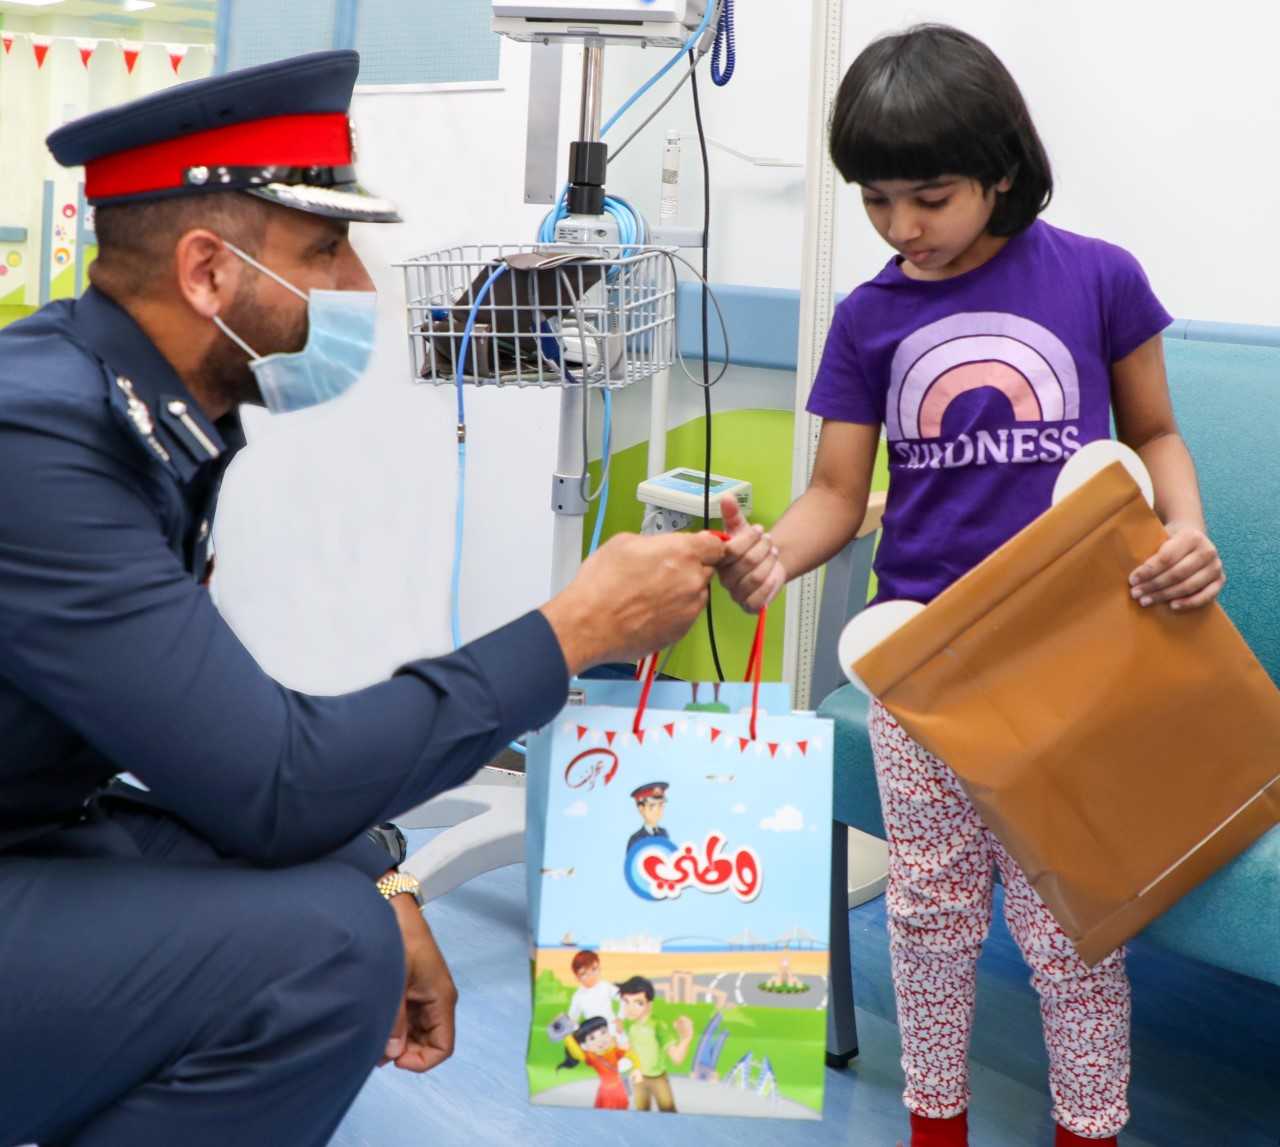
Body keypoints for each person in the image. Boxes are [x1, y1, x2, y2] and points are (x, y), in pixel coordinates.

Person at [0, 51, 725, 1147]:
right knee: (324, 956)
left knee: (348, 910)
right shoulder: (44, 443)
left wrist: (383, 875)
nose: (361, 288)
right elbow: (272, 780)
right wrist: (576, 629)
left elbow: (203, 739)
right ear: (208, 272)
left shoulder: (119, 409)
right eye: (324, 250)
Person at [715, 24, 1225, 1147]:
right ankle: (933, 1126)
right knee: (930, 912)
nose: (902, 227)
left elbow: (1153, 434)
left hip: (1078, 654)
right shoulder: (868, 318)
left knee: (1069, 920)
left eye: (929, 197)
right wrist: (773, 555)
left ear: (999, 170)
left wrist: (1184, 530)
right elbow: (835, 493)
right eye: (875, 201)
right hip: (922, 659)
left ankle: (1088, 1128)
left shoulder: (1097, 276)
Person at [617, 976, 694, 1113]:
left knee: (668, 1112)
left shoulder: (658, 1026)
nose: (630, 1008)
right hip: (638, 1077)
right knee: (641, 1113)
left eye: (638, 1003)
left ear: (649, 1005)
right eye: (626, 1002)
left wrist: (686, 1038)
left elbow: (677, 1058)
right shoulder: (631, 1026)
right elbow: (628, 1049)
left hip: (658, 1078)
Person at [554, 1016, 632, 1110]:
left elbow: (627, 1048)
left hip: (620, 1089)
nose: (601, 1040)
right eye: (592, 1038)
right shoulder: (593, 1057)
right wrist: (568, 1036)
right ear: (584, 1045)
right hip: (607, 1092)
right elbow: (578, 1053)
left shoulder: (614, 1050)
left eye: (603, 1032)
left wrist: (620, 1031)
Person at [567, 949, 625, 1044]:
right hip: (594, 1036)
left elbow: (624, 998)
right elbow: (572, 1019)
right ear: (577, 977)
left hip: (613, 1030)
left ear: (599, 968)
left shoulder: (605, 986)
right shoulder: (578, 996)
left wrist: (620, 1018)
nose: (591, 975)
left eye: (594, 969)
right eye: (584, 973)